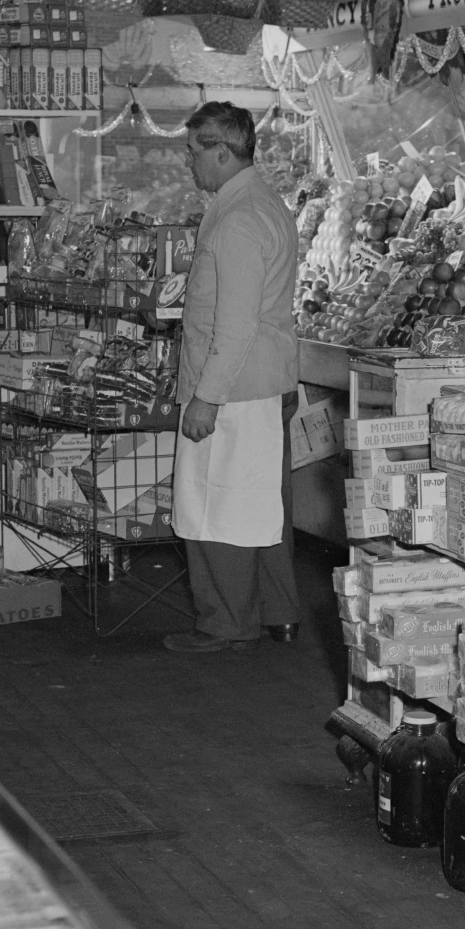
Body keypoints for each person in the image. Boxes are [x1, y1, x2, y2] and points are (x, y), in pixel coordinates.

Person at [163, 101, 301, 653]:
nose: (188, 163)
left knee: (216, 507)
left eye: (194, 151)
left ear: (222, 151)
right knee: (265, 508)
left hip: (233, 387)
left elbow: (235, 326)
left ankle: (226, 623)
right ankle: (277, 613)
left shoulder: (239, 219)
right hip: (264, 382)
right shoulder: (262, 204)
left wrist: (205, 399)